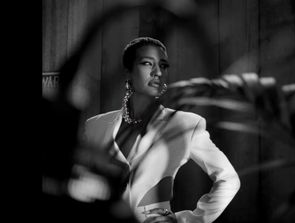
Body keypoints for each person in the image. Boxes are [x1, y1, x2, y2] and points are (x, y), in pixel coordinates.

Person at [83, 37, 240, 223]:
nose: (157, 72)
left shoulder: (186, 125)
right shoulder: (94, 126)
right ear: (128, 72)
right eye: (147, 63)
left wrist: (187, 220)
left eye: (163, 65)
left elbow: (229, 179)